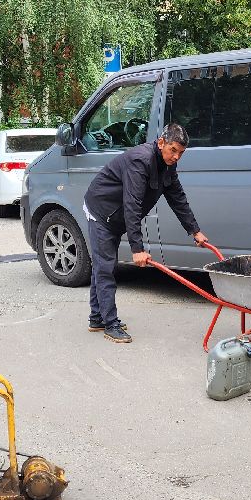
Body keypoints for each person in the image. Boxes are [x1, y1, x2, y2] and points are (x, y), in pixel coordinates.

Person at [82, 122, 210, 344]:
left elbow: (178, 199)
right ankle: (110, 324)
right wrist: (137, 249)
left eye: (181, 152)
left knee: (103, 266)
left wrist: (194, 230)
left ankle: (97, 317)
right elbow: (132, 204)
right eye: (173, 150)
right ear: (161, 143)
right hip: (102, 212)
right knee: (106, 268)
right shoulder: (139, 161)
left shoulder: (168, 165)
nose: (177, 156)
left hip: (116, 215)